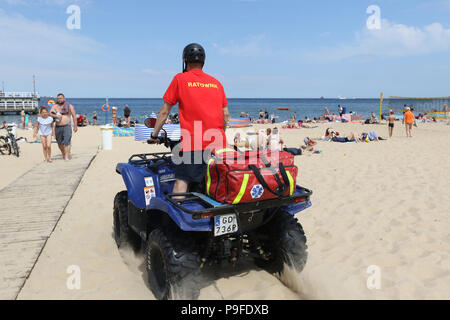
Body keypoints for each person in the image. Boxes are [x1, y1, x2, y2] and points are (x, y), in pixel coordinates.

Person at [148, 43, 229, 197]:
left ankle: (178, 218)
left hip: (194, 144)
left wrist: (154, 135)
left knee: (181, 182)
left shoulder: (180, 79)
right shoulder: (216, 83)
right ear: (203, 61)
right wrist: (220, 134)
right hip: (219, 145)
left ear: (185, 61)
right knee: (216, 183)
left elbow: (165, 111)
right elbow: (225, 115)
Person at [49, 93, 78, 161]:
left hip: (67, 126)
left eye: (61, 98)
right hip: (58, 126)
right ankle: (63, 153)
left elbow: (74, 116)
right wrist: (56, 116)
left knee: (67, 141)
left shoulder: (69, 106)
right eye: (58, 98)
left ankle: (66, 156)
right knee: (59, 143)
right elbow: (50, 113)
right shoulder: (55, 106)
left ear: (64, 99)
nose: (59, 99)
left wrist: (75, 126)